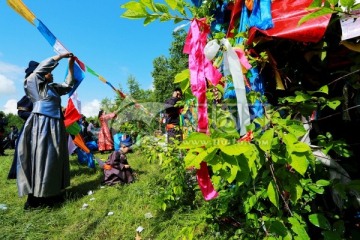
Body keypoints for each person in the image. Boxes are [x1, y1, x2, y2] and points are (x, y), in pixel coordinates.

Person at [16, 52, 76, 209]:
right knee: (41, 158)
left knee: (54, 159)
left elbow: (69, 85)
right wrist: (60, 56)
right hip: (42, 125)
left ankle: (51, 194)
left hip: (55, 126)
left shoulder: (53, 89)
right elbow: (40, 70)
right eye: (49, 72)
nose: (51, 74)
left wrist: (70, 65)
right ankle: (35, 198)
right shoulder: (33, 85)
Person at [7, 95, 33, 179]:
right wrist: (38, 116)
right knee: (25, 150)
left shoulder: (51, 94)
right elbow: (21, 113)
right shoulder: (30, 96)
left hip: (48, 128)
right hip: (31, 128)